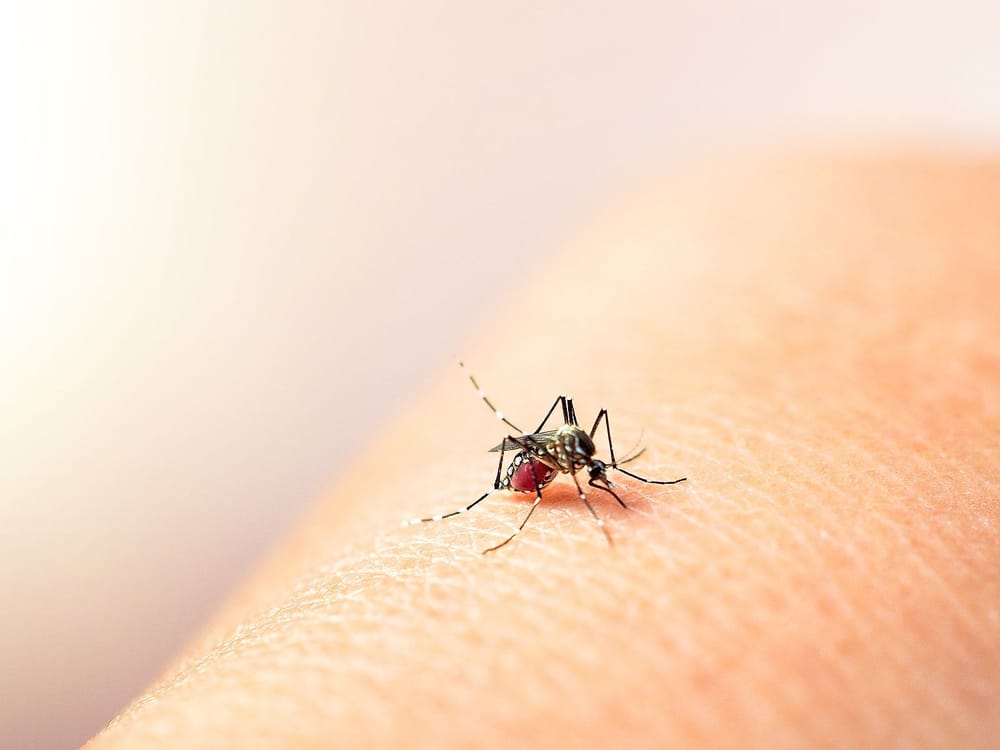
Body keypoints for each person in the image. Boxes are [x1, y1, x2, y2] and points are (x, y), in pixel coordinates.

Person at [86, 152, 1000, 749]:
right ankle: (493, 508)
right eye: (596, 474)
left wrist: (612, 478)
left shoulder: (583, 445)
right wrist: (541, 492)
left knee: (580, 422)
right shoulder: (544, 461)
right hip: (525, 461)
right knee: (552, 431)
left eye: (595, 474)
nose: (590, 476)